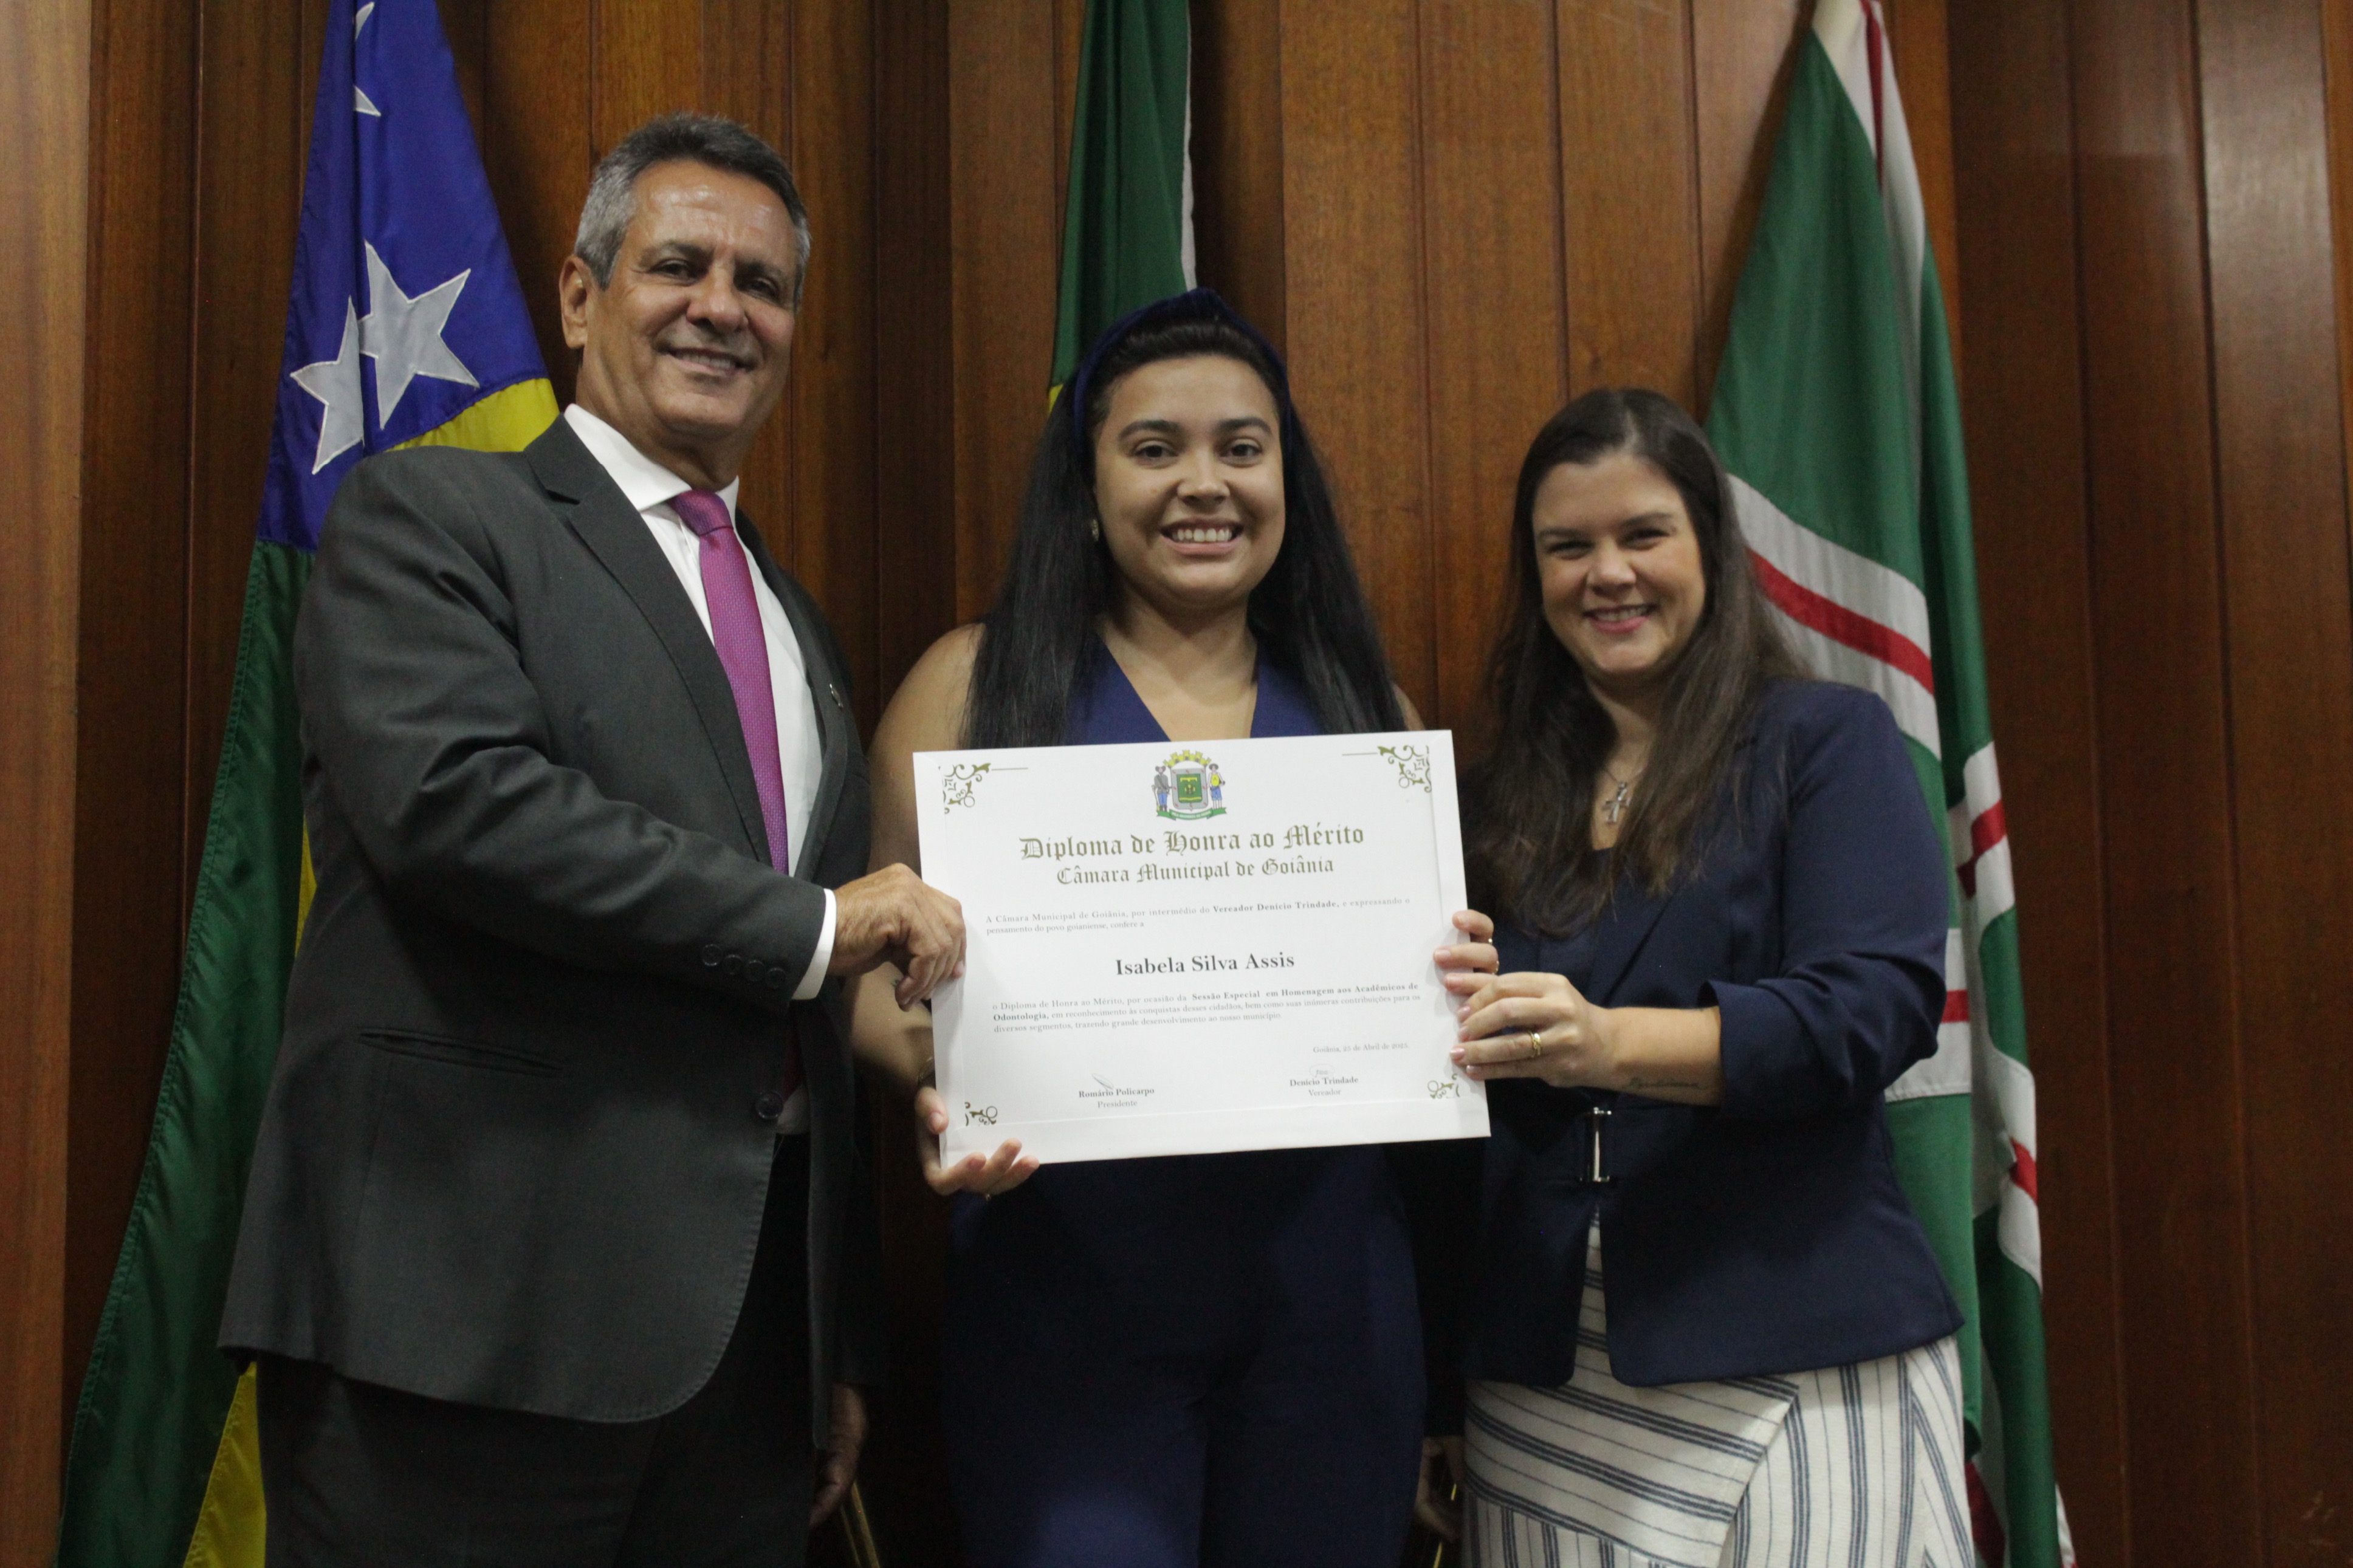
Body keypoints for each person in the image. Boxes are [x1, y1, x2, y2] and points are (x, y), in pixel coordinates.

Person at [219, 114, 964, 1566]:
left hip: (744, 1367)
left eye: (762, 284)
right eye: (678, 265)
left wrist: (833, 1336)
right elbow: (459, 808)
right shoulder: (430, 514)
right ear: (578, 295)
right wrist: (822, 928)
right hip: (467, 1331)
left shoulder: (795, 622)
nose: (721, 307)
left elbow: (805, 1027)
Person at [854, 290, 1429, 1567]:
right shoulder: (969, 687)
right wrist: (943, 1081)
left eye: (1242, 447)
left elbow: (1416, 995)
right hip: (1064, 1299)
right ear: (1087, 483)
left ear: (1285, 479)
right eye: (1154, 448)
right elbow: (862, 988)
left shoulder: (1369, 712)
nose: (1203, 484)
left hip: (1330, 1310)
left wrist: (1453, 988)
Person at [1417, 389, 1973, 1566]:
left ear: (1711, 545)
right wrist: (1433, 1386)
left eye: (1643, 534)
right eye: (1568, 546)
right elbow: (1441, 1119)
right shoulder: (1480, 802)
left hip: (1792, 1357)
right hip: (1538, 1384)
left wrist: (1608, 1044)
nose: (1607, 573)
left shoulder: (1824, 741)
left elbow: (1873, 1010)